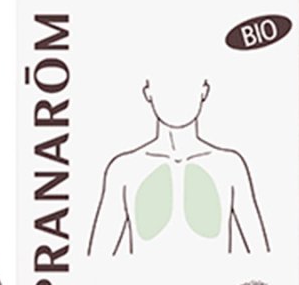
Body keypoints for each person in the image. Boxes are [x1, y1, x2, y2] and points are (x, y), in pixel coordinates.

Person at [87, 78, 269, 256]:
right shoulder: (124, 170)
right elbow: (97, 257)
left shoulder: (229, 166)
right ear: (148, 92)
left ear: (204, 90)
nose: (176, 97)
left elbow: (261, 254)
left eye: (186, 85)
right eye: (166, 86)